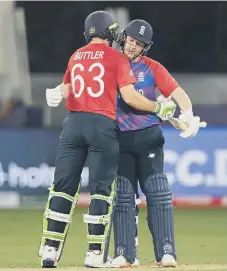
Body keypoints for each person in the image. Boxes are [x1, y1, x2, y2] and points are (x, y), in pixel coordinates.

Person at [38, 11, 177, 268]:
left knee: (63, 186)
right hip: (102, 125)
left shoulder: (76, 55)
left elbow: (66, 88)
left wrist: (56, 93)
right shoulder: (116, 57)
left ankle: (50, 249)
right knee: (101, 190)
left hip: (72, 124)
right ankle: (93, 254)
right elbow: (131, 98)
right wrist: (159, 108)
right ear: (109, 32)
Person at [110, 19, 202, 268]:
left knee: (158, 193)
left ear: (144, 48)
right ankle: (124, 253)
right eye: (130, 41)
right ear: (123, 39)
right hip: (118, 138)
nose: (132, 47)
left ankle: (166, 252)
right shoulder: (110, 64)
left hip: (148, 136)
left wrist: (189, 115)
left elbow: (177, 92)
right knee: (123, 196)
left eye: (138, 44)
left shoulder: (151, 67)